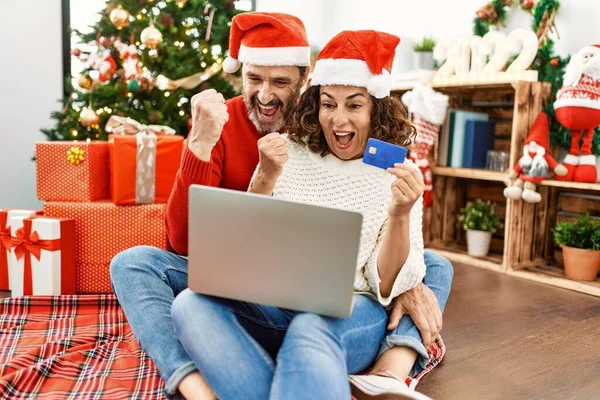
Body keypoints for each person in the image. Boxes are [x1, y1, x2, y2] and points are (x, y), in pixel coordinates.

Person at [110, 12, 453, 400]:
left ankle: (393, 363)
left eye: (280, 82)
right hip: (254, 279)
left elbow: (386, 274)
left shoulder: (374, 161)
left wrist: (405, 257)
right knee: (161, 283)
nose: (266, 95)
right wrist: (208, 148)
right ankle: (197, 383)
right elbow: (189, 242)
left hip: (342, 300)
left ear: (304, 81)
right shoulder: (239, 132)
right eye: (254, 78)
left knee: (432, 266)